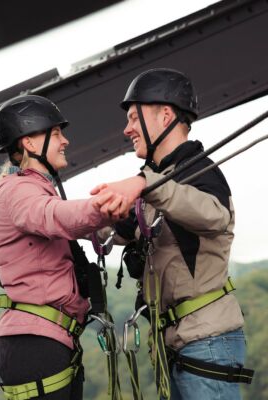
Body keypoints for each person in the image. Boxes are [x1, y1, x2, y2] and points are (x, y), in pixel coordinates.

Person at [91, 68, 252, 400]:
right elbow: (118, 228)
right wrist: (69, 215)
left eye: (135, 117)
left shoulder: (200, 172)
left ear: (165, 115)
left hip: (207, 342)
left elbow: (215, 216)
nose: (127, 129)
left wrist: (146, 184)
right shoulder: (158, 181)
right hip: (178, 343)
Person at [0, 94, 130, 400]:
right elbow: (55, 216)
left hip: (39, 342)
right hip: (36, 346)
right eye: (56, 133)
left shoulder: (27, 189)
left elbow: (57, 225)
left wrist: (122, 226)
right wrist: (109, 203)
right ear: (29, 144)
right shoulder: (19, 190)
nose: (65, 141)